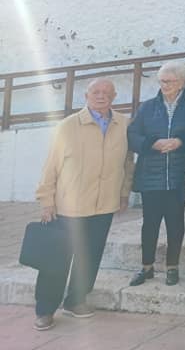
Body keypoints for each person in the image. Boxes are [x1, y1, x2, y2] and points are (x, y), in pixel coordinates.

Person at [33, 79, 134, 331]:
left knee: (90, 257)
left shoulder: (123, 124)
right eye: (96, 92)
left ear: (115, 96)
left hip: (104, 205)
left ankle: (76, 300)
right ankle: (45, 309)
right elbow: (51, 165)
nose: (101, 96)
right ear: (86, 95)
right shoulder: (68, 125)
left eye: (107, 93)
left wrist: (123, 195)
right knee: (56, 259)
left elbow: (127, 164)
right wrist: (46, 201)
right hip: (69, 205)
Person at [127, 61, 185, 288]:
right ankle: (146, 267)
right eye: (162, 81)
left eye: (170, 81)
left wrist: (180, 141)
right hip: (151, 175)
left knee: (175, 224)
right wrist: (152, 144)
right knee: (150, 224)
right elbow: (132, 135)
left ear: (182, 82)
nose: (165, 85)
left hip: (178, 175)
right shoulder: (147, 107)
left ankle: (172, 267)